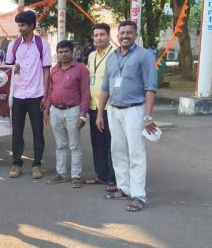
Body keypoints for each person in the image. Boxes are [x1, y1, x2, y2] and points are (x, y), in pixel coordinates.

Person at [96, 19, 158, 212]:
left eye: (129, 33)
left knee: (136, 154)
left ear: (135, 35)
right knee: (118, 151)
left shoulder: (144, 56)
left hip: (135, 111)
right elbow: (105, 87)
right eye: (122, 33)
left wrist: (147, 116)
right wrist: (100, 113)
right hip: (114, 111)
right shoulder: (112, 57)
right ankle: (124, 188)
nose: (125, 36)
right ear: (117, 35)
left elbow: (150, 88)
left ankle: (139, 196)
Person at [5, 9, 52, 179]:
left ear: (32, 25)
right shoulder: (13, 45)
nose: (21, 28)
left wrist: (46, 97)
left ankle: (37, 164)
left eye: (23, 25)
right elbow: (7, 68)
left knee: (37, 132)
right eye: (19, 25)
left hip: (36, 94)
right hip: (18, 95)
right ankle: (16, 163)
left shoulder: (42, 45)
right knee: (17, 132)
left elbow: (47, 71)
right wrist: (13, 69)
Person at [43, 40, 89, 188]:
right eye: (60, 52)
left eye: (66, 51)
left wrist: (83, 115)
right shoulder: (54, 70)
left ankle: (76, 176)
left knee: (74, 145)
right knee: (60, 145)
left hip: (73, 111)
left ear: (72, 52)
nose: (63, 54)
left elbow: (85, 92)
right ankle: (61, 174)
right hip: (55, 111)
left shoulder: (80, 69)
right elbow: (50, 91)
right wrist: (47, 111)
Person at [84, 23, 116, 186]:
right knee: (97, 142)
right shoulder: (91, 55)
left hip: (109, 107)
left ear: (109, 36)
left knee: (111, 142)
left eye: (102, 35)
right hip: (92, 106)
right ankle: (101, 174)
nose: (98, 38)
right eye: (96, 35)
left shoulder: (115, 55)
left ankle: (114, 176)